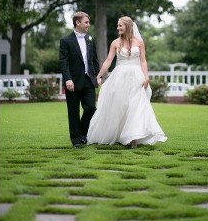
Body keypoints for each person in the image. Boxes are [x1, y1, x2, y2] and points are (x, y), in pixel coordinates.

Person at [87, 16, 167, 147]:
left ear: (128, 27)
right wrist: (99, 75)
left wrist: (146, 77)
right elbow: (108, 61)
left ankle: (133, 138)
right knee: (120, 105)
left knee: (135, 106)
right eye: (118, 25)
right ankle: (119, 134)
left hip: (136, 77)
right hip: (120, 76)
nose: (118, 28)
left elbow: (143, 61)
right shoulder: (115, 43)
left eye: (120, 25)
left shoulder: (139, 42)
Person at [59, 11, 100, 149]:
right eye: (86, 22)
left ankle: (83, 132)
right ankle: (76, 140)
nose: (88, 25)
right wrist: (68, 79)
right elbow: (63, 62)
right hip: (73, 82)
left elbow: (94, 60)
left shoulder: (90, 39)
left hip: (89, 80)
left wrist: (97, 76)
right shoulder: (66, 41)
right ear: (78, 22)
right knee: (73, 111)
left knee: (91, 108)